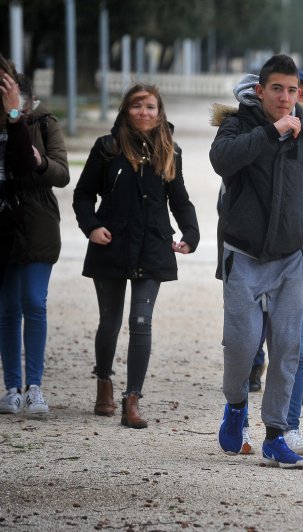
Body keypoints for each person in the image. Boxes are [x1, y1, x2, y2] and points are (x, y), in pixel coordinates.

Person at [209, 54, 303, 469]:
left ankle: (275, 436)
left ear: (301, 94)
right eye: (277, 89)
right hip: (243, 257)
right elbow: (220, 161)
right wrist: (270, 132)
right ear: (260, 91)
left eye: (292, 90)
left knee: (288, 350)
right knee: (242, 347)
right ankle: (234, 406)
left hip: (290, 260)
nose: (285, 97)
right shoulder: (238, 127)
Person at [73, 83, 199, 429]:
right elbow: (82, 195)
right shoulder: (107, 148)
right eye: (137, 106)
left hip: (153, 245)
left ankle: (133, 398)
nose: (144, 112)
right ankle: (104, 383)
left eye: (151, 107)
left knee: (141, 323)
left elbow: (180, 199)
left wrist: (191, 234)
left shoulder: (170, 150)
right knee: (110, 321)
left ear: (160, 113)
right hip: (111, 244)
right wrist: (92, 227)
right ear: (126, 110)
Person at [0, 56, 41, 413]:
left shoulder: (17, 122)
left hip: (9, 226)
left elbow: (26, 168)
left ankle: (22, 385)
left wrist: (14, 115)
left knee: (19, 306)